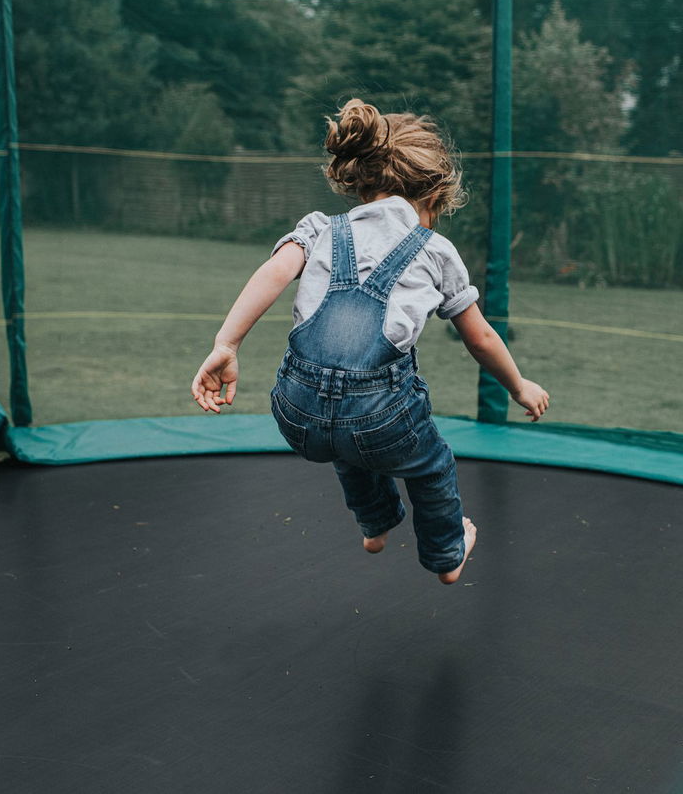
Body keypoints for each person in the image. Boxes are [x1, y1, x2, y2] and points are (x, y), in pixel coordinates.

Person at [190, 98, 549, 584]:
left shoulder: (320, 228)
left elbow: (273, 272)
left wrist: (226, 345)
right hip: (380, 417)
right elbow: (481, 338)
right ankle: (446, 556)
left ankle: (376, 525)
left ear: (363, 178)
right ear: (432, 194)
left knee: (345, 440)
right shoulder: (435, 250)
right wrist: (518, 385)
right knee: (430, 465)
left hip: (297, 414)